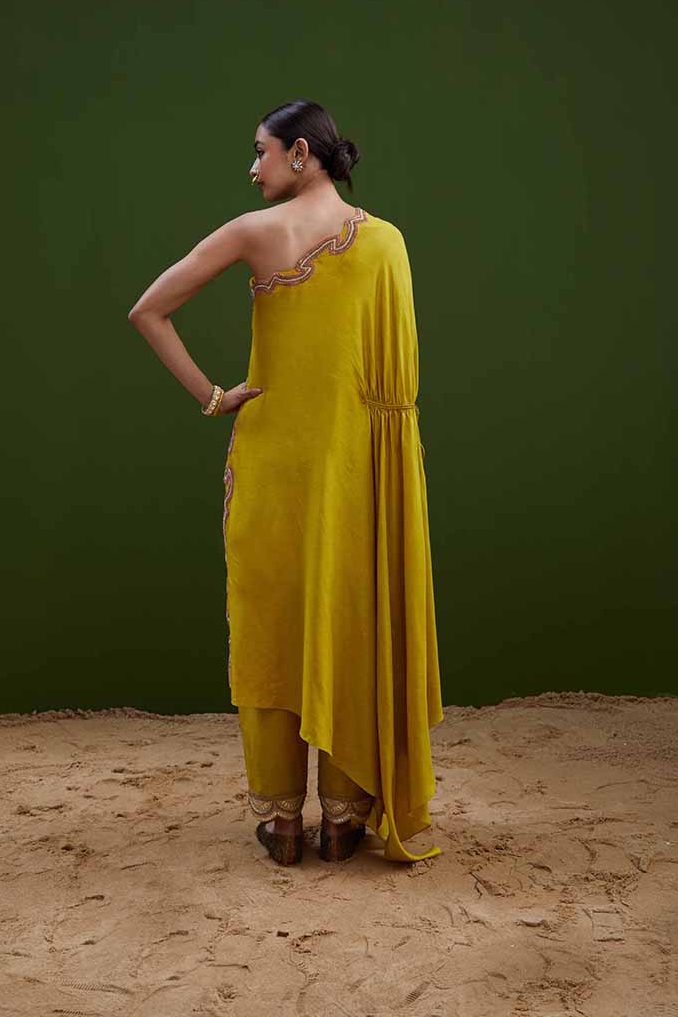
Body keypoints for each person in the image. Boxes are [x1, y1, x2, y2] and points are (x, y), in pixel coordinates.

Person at [128, 98, 444, 865]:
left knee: (270, 628)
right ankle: (343, 817)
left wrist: (214, 398)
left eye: (260, 152)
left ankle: (280, 821)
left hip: (270, 464)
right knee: (348, 618)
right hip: (357, 469)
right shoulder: (386, 243)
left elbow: (149, 310)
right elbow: (397, 394)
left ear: (300, 153)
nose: (252, 168)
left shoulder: (252, 232)